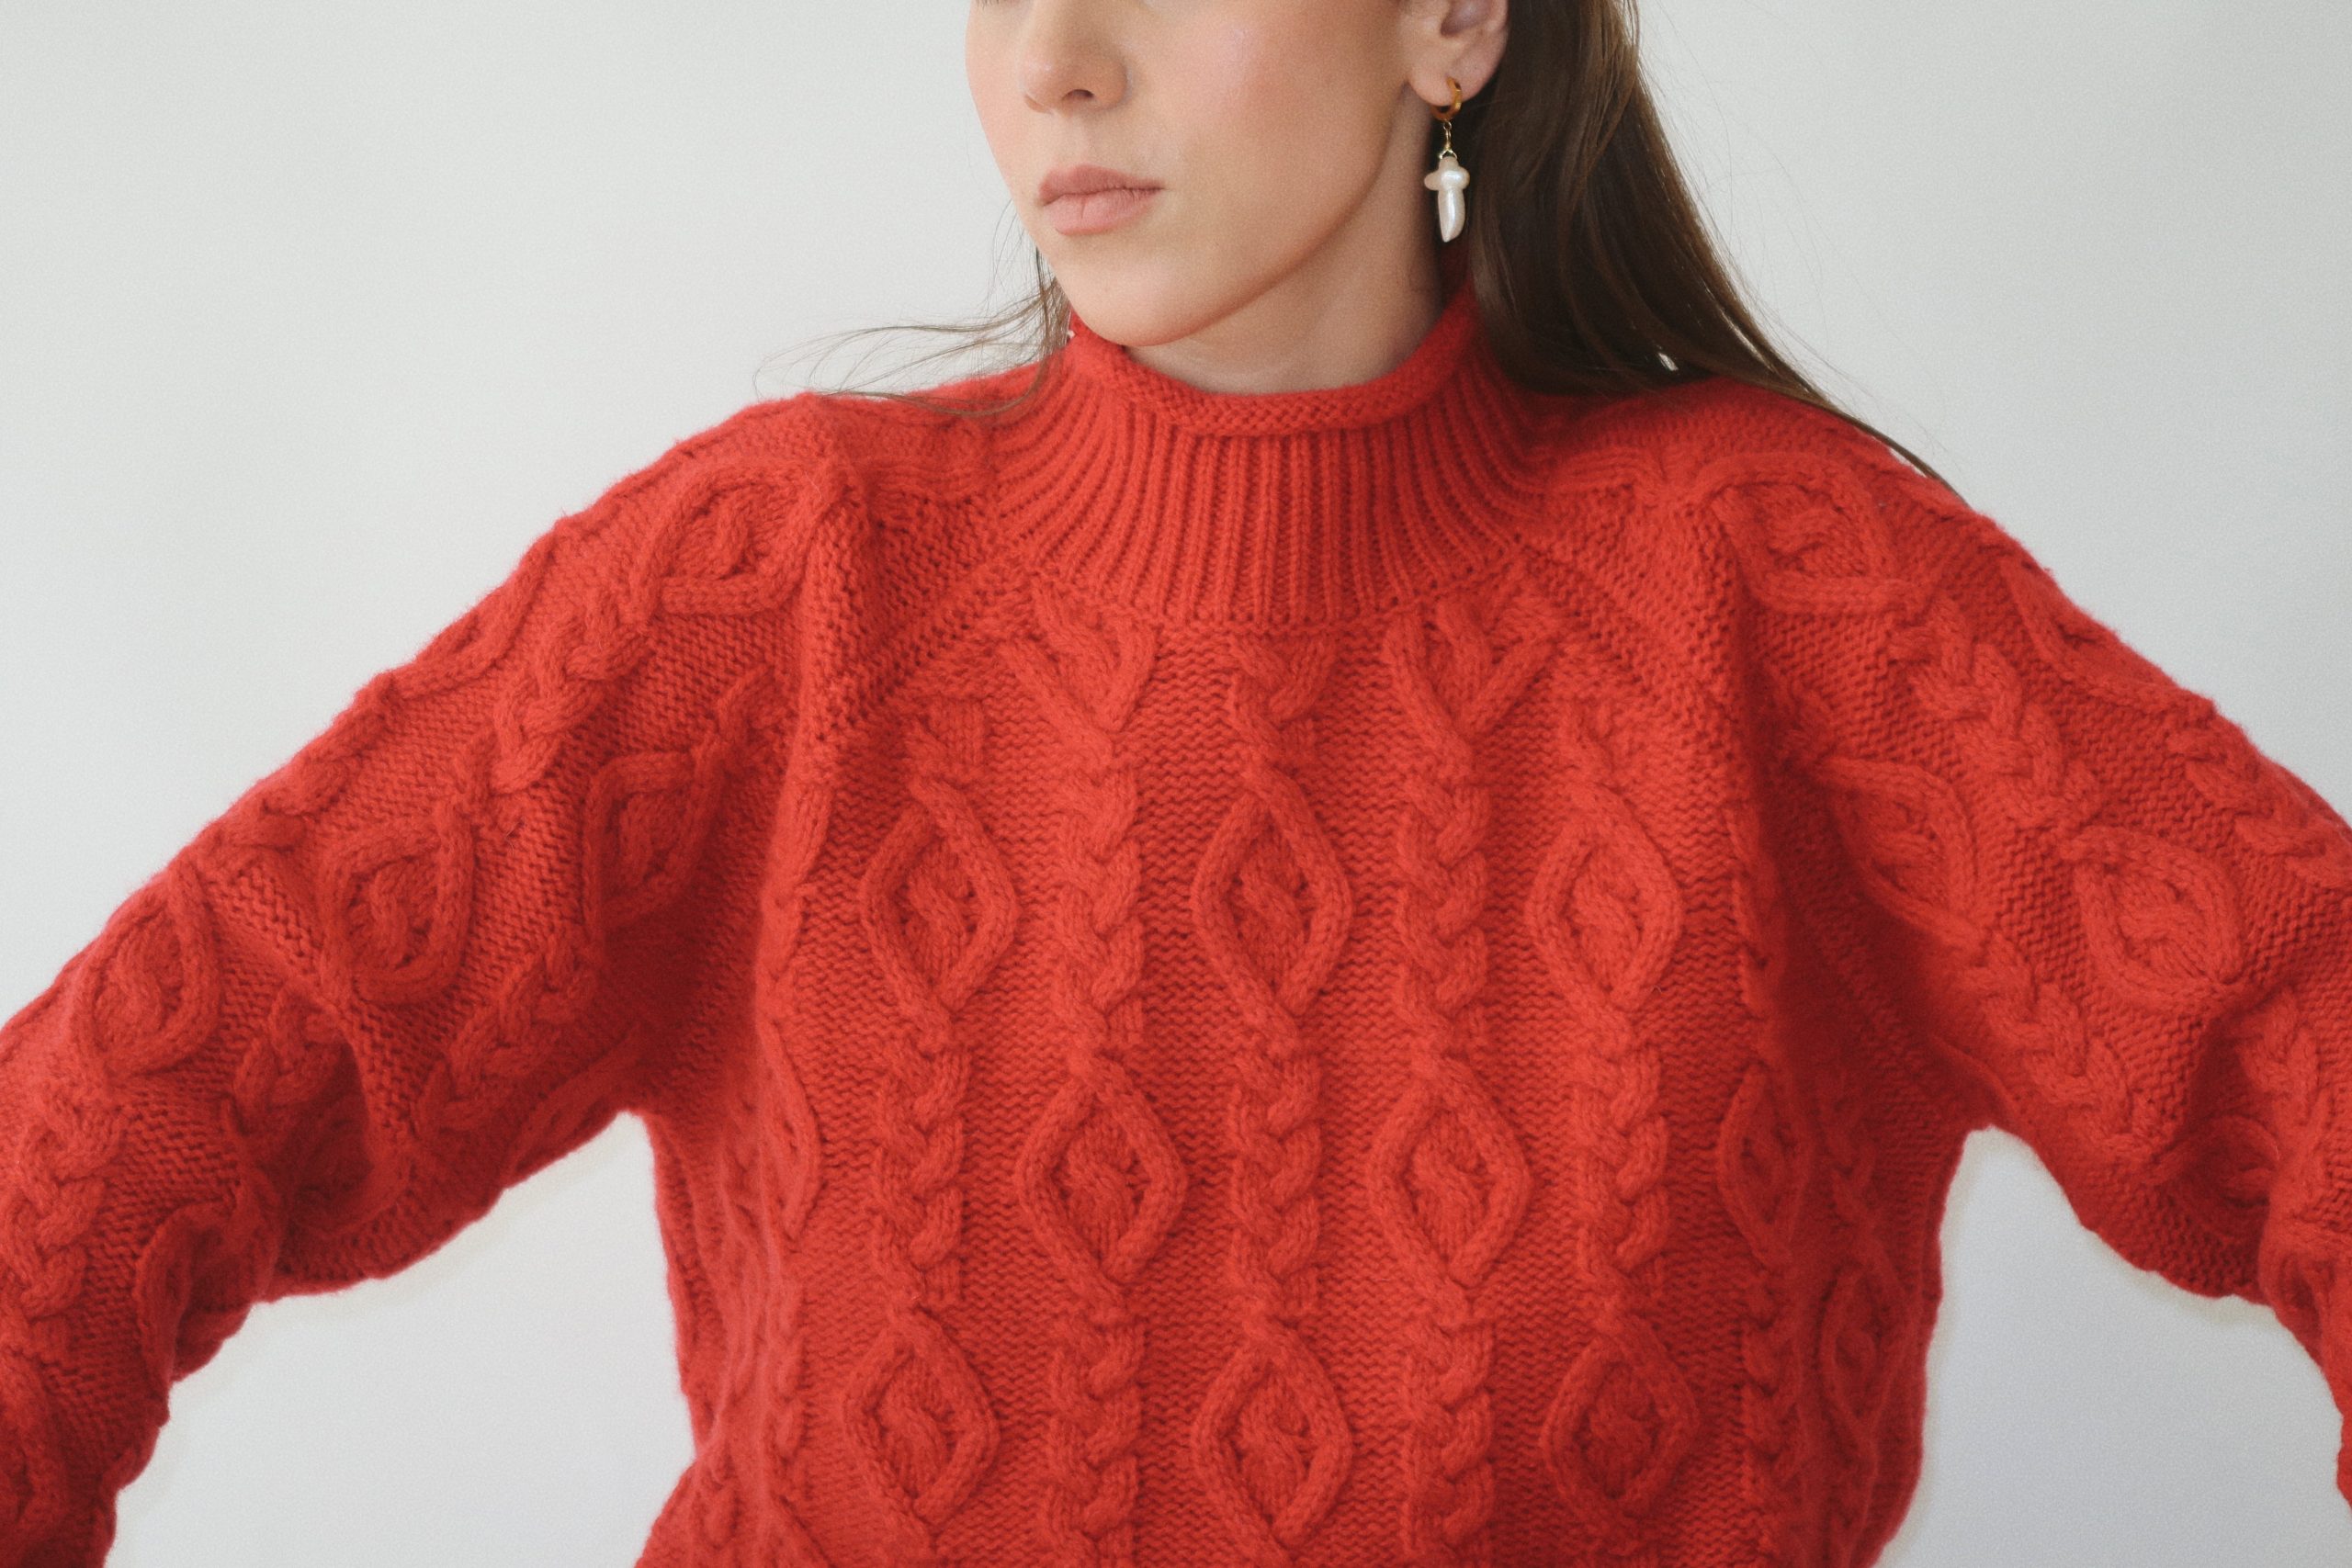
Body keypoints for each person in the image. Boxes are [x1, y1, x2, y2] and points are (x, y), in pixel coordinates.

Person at [4, 2, 2347, 1564]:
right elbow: (139, 1102)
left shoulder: (1782, 587)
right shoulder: (785, 578)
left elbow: (2296, 1029)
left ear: (1451, 17)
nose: (1051, 58)